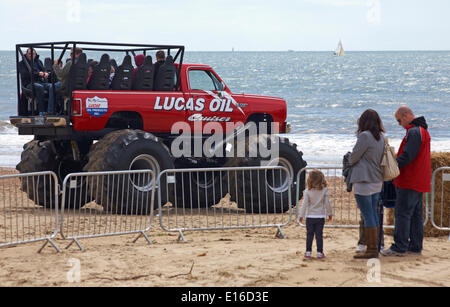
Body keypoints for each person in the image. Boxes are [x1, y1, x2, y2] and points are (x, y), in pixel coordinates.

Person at [381, 106, 431, 257]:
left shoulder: (414, 132)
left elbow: (408, 156)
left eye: (399, 120)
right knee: (415, 215)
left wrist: (392, 164)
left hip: (410, 180)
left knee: (402, 214)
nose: (399, 124)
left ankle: (399, 246)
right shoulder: (420, 131)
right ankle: (415, 246)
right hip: (418, 180)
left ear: (406, 115)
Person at [348, 109, 385, 259]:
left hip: (364, 180)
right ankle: (375, 247)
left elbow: (353, 158)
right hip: (377, 180)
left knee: (368, 215)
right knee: (373, 214)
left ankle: (371, 250)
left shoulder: (364, 136)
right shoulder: (381, 137)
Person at [299, 169, 333, 259]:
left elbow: (304, 204)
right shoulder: (324, 190)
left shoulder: (308, 191)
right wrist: (330, 213)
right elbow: (327, 203)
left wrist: (301, 216)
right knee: (319, 235)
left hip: (310, 216)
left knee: (309, 235)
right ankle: (319, 252)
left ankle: (308, 252)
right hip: (320, 216)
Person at [18, 48, 55, 114]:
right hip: (28, 84)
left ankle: (51, 110)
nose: (31, 55)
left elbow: (44, 70)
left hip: (40, 82)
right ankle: (42, 111)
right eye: (29, 54)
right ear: (26, 54)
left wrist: (46, 73)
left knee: (52, 86)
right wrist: (38, 74)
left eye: (33, 54)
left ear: (35, 55)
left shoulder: (38, 62)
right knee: (39, 87)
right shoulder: (22, 63)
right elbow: (25, 74)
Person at [52, 47, 83, 112]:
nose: (70, 55)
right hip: (79, 86)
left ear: (77, 54)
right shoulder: (83, 64)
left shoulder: (70, 63)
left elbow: (60, 74)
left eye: (71, 54)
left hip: (67, 87)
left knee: (52, 87)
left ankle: (51, 110)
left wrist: (55, 65)